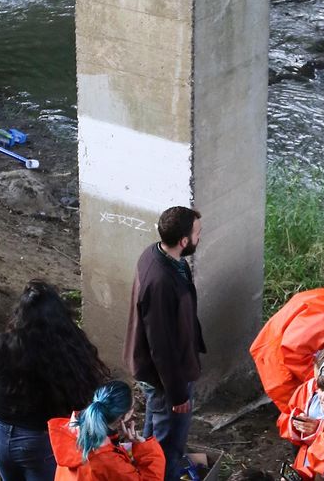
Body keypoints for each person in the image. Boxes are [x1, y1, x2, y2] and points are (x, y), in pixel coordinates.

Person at [0, 280, 109, 481]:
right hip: (40, 440)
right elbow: (85, 397)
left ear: (20, 313)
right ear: (59, 316)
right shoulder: (68, 349)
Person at [123, 206, 206, 481]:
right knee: (168, 448)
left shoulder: (156, 253)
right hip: (165, 378)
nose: (200, 236)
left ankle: (144, 471)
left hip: (155, 372)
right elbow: (161, 345)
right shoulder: (160, 282)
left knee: (153, 437)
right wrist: (177, 393)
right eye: (197, 233)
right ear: (184, 241)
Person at [49, 380, 165, 480]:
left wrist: (114, 443)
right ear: (124, 416)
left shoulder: (71, 432)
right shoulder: (108, 460)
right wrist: (146, 450)